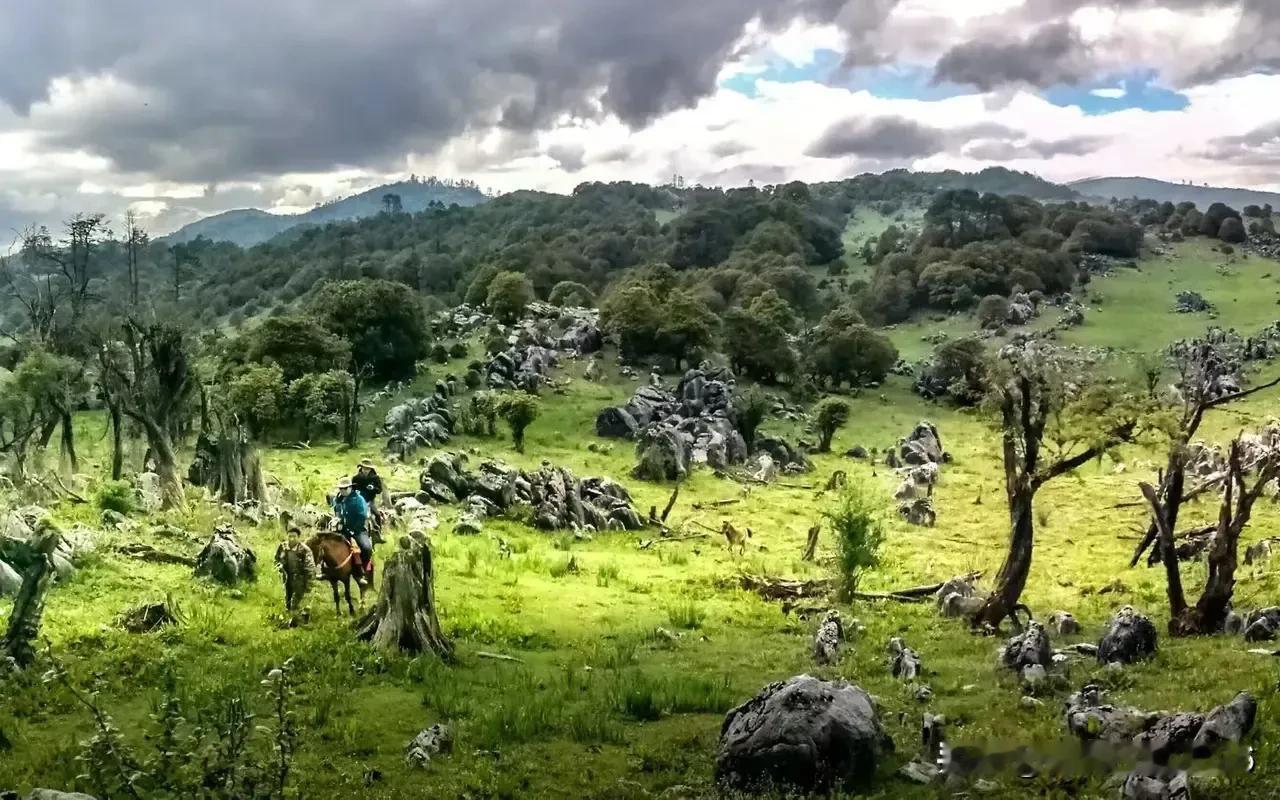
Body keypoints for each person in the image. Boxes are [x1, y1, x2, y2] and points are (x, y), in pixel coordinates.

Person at [332, 477, 371, 587]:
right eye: (340, 488)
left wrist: (353, 530)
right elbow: (336, 512)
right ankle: (326, 570)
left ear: (350, 487)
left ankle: (362, 572)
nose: (342, 490)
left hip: (358, 530)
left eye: (345, 488)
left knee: (366, 548)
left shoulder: (358, 499)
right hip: (341, 529)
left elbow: (362, 516)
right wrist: (336, 521)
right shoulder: (337, 500)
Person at [352, 458, 385, 541]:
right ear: (361, 468)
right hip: (358, 501)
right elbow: (351, 489)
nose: (365, 470)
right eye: (364, 468)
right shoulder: (356, 478)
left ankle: (379, 534)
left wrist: (373, 488)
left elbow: (379, 490)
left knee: (377, 514)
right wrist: (355, 491)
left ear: (370, 469)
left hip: (370, 501)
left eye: (367, 469)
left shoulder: (375, 478)